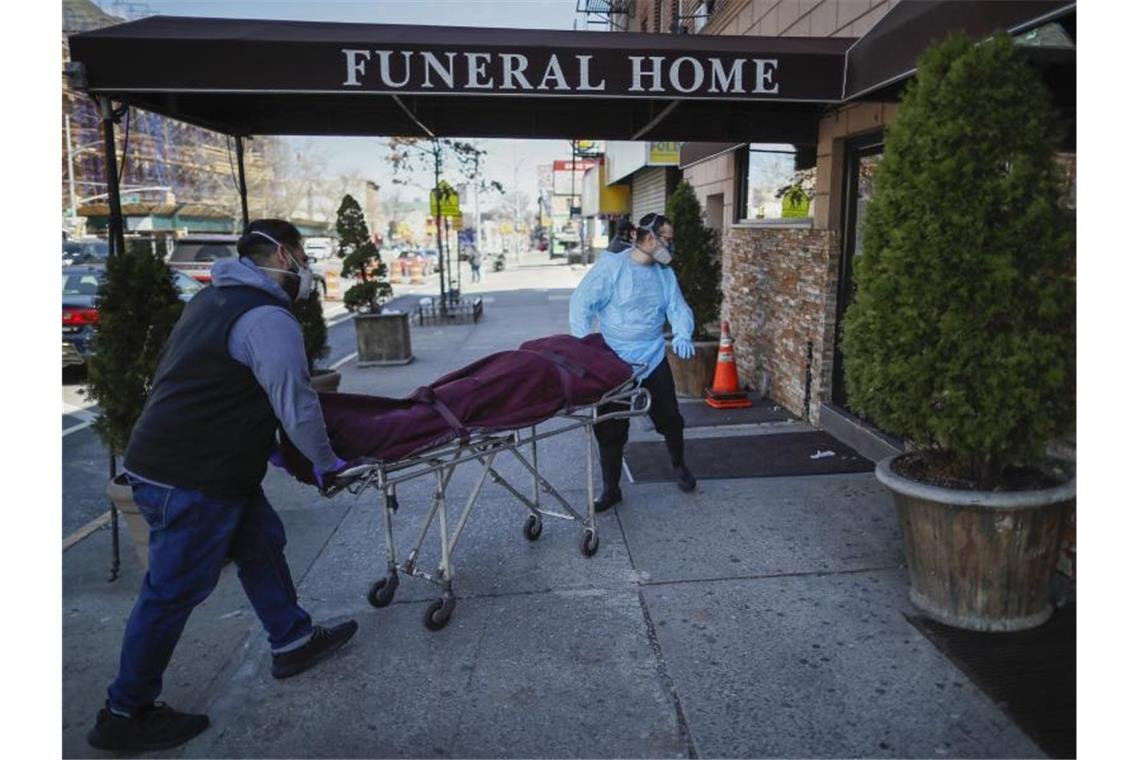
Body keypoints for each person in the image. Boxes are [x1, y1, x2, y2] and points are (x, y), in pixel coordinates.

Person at [88, 219, 359, 753]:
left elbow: (213, 381)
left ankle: (293, 640)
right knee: (170, 594)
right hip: (192, 477)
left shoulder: (211, 301)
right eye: (302, 255)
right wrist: (327, 461)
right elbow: (296, 401)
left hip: (193, 465)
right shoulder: (266, 318)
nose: (306, 268)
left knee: (261, 545)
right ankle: (125, 711)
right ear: (282, 254)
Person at [569, 212, 698, 512]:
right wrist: (583, 345)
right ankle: (611, 489)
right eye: (668, 239)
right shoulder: (613, 268)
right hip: (615, 362)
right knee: (611, 427)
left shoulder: (665, 274)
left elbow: (678, 307)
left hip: (652, 357)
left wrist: (683, 333)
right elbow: (582, 302)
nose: (671, 245)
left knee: (670, 418)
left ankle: (680, 467)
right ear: (650, 238)